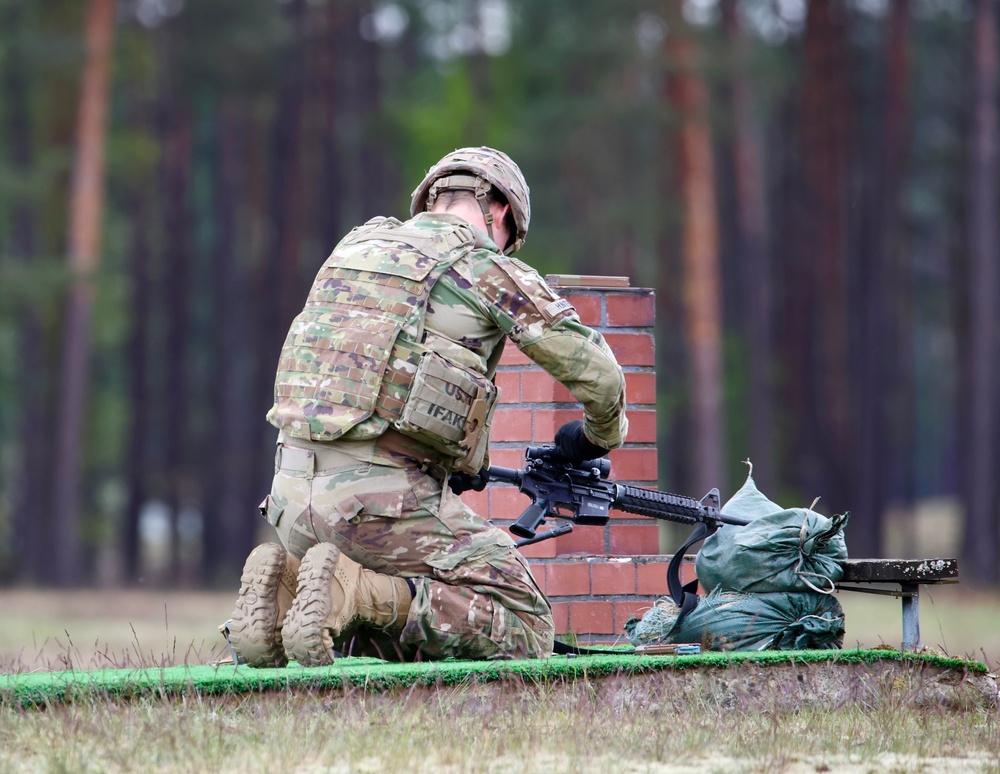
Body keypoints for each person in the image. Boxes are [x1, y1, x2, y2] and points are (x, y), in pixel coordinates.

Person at [225, 147, 628, 666]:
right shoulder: (483, 264)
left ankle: (285, 605)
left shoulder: (354, 247)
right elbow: (599, 374)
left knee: (385, 602)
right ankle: (358, 593)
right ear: (501, 211)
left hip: (288, 500)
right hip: (381, 508)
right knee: (526, 627)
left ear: (433, 196)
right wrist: (597, 436)